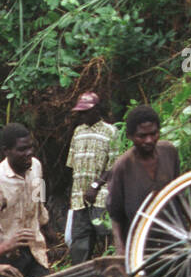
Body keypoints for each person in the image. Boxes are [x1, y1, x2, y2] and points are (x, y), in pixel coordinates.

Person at [0, 123, 51, 277]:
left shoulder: (36, 166)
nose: (29, 153)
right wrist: (6, 244)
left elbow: (39, 199)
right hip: (4, 254)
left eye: (30, 148)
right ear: (6, 151)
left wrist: (46, 227)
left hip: (34, 247)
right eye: (22, 149)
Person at [105, 105, 181, 253]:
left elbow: (178, 192)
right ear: (130, 136)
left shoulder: (169, 152)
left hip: (172, 238)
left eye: (153, 134)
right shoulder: (122, 166)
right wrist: (121, 251)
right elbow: (116, 215)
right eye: (142, 136)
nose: (149, 140)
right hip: (140, 245)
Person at [66, 93, 119, 263]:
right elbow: (72, 164)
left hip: (101, 196)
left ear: (96, 110)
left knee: (105, 237)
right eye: (80, 113)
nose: (82, 116)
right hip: (79, 198)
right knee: (80, 243)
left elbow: (115, 166)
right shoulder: (78, 132)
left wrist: (95, 186)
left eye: (86, 112)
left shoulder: (111, 131)